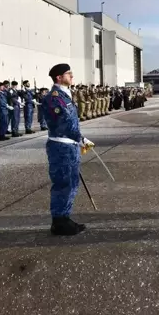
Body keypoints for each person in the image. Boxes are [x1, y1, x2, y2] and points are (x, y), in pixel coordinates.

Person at [42, 63, 93, 236]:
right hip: (61, 145)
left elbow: (72, 122)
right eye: (68, 74)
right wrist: (80, 138)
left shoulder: (65, 95)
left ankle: (64, 217)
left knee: (71, 183)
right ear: (59, 77)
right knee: (63, 183)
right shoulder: (54, 98)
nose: (72, 76)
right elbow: (64, 123)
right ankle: (59, 222)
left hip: (69, 145)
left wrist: (79, 139)